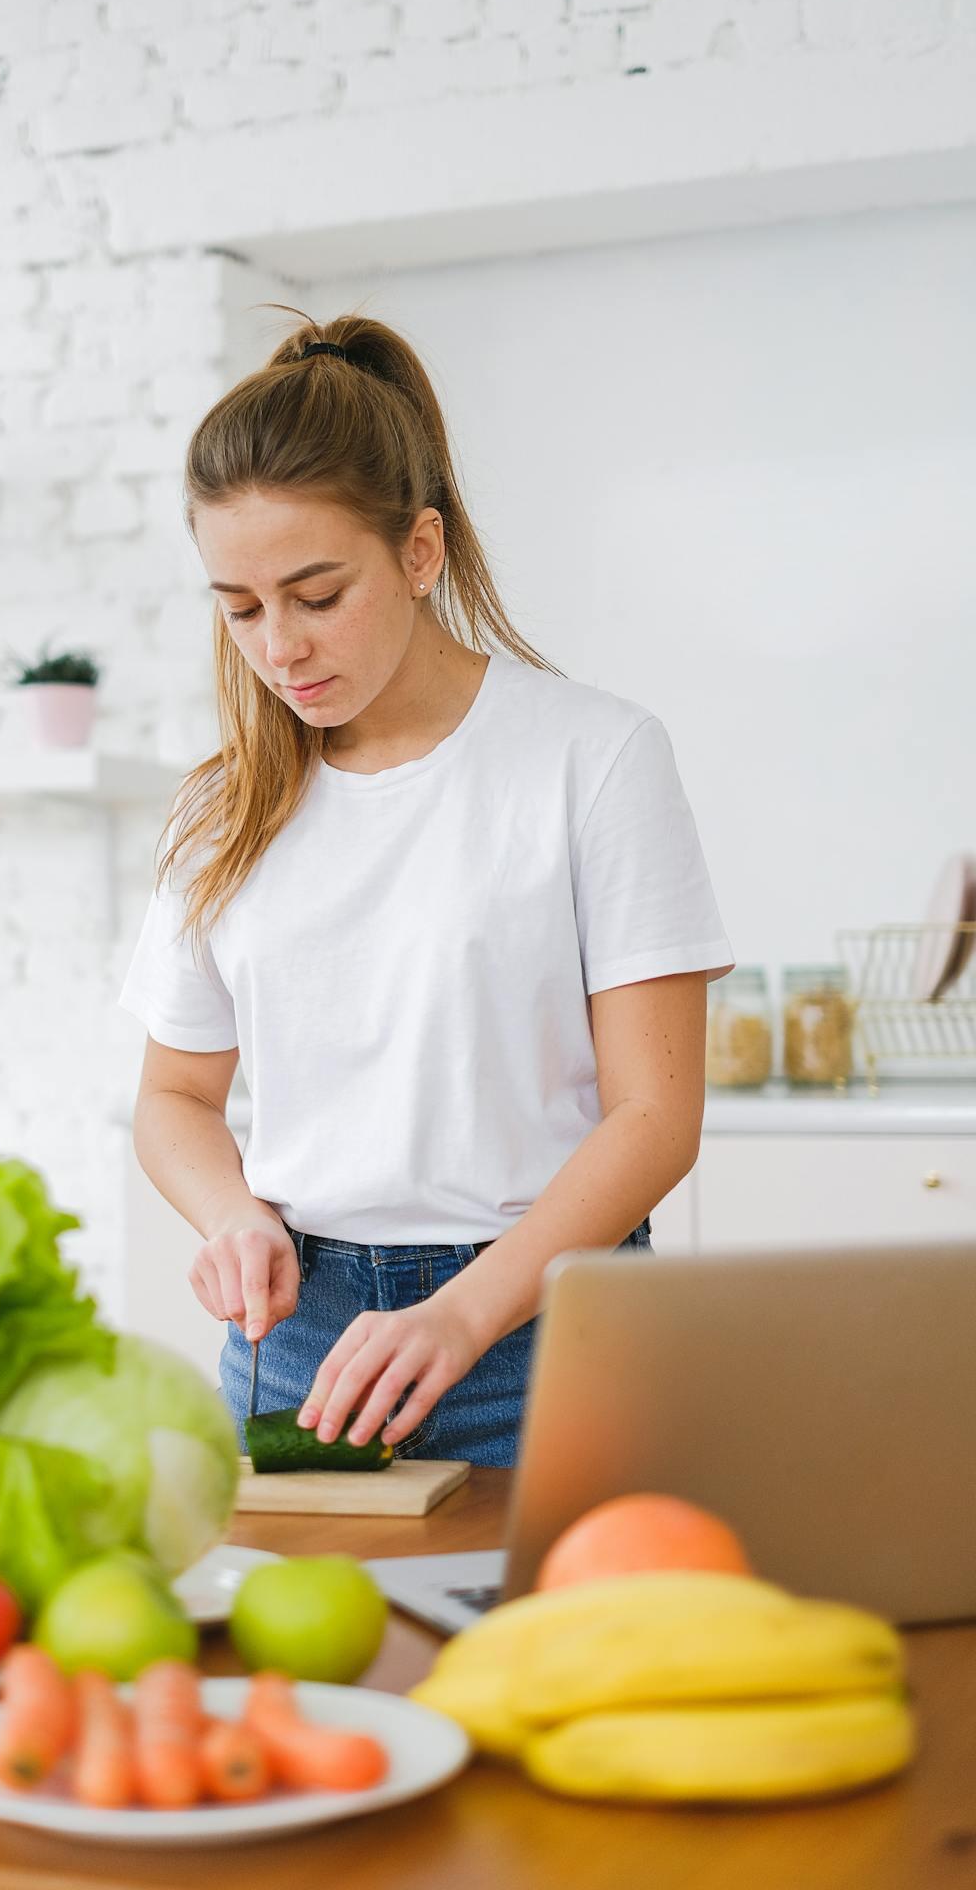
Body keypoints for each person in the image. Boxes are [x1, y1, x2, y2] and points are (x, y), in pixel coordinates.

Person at [119, 309, 734, 1467]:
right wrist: (230, 1214)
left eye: (315, 594)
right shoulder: (223, 808)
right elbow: (173, 1100)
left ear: (419, 551)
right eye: (238, 608)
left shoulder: (589, 757)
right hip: (300, 1352)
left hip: (549, 1332)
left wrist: (465, 1313)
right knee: (314, 1653)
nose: (278, 649)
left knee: (563, 1650)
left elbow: (654, 1118)